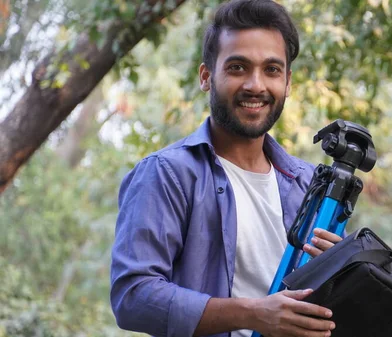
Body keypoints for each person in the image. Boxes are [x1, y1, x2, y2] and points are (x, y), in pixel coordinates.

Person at [110, 1, 344, 336]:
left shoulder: (312, 185)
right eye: (237, 67)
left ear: (288, 82)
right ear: (206, 76)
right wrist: (253, 314)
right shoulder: (165, 174)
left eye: (272, 70)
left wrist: (342, 273)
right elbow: (133, 297)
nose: (255, 85)